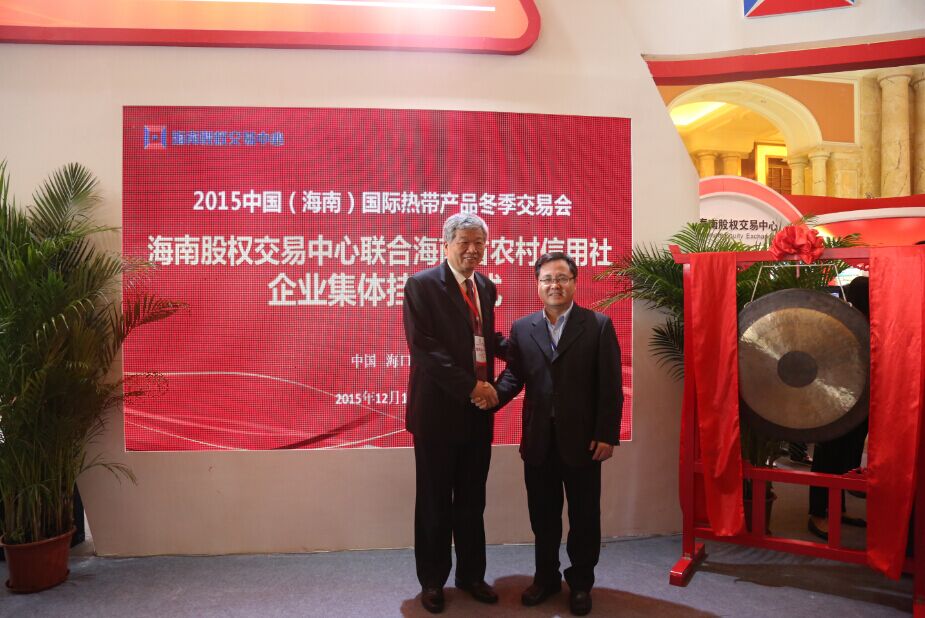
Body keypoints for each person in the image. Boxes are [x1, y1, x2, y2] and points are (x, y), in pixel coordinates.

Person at [486, 252, 623, 616]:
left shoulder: (597, 325)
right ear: (538, 285)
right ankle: (545, 578)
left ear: (574, 282)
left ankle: (580, 583)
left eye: (562, 278)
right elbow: (516, 376)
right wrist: (491, 397)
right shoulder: (523, 328)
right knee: (543, 517)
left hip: (584, 441)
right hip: (539, 441)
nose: (554, 285)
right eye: (547, 279)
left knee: (584, 518)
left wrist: (607, 434)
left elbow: (610, 387)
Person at [402, 213, 503, 614]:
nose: (472, 250)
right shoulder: (422, 285)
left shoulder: (486, 286)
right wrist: (471, 386)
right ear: (446, 244)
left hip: (478, 414)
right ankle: (432, 581)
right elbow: (425, 349)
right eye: (464, 242)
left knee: (473, 500)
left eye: (479, 243)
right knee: (434, 501)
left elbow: (484, 339)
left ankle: (471, 575)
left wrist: (524, 348)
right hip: (437, 414)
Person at [808, 274, 869, 540]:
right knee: (827, 458)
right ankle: (817, 512)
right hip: (832, 403)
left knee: (847, 458)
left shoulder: (873, 323)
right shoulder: (842, 323)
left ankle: (837, 508)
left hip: (860, 404)